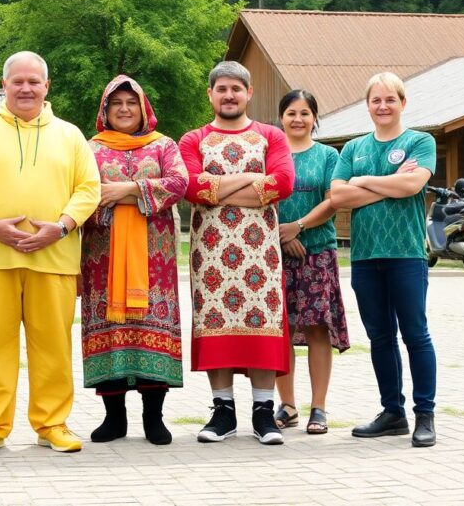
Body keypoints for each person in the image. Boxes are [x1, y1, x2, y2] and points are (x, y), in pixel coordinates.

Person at [0, 51, 100, 454]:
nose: (26, 88)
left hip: (55, 259)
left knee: (52, 347)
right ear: (4, 85)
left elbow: (89, 189)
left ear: (47, 86)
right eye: (18, 81)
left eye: (34, 81)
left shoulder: (70, 135)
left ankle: (52, 423)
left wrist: (62, 227)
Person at [178, 61, 295, 446]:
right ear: (210, 94)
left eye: (236, 89)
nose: (229, 96)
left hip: (260, 253)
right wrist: (251, 179)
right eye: (222, 89)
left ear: (249, 93)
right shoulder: (193, 139)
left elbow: (283, 183)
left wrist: (218, 189)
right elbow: (191, 188)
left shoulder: (270, 136)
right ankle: (223, 412)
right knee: (217, 324)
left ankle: (263, 412)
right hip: (211, 253)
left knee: (262, 324)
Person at [330, 72, 438, 448]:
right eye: (376, 100)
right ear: (368, 105)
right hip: (364, 256)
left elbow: (412, 185)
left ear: (402, 103)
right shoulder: (353, 148)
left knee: (415, 335)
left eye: (390, 99)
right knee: (380, 337)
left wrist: (361, 181)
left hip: (406, 254)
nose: (383, 106)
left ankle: (425, 415)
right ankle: (393, 413)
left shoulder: (420, 141)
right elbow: (337, 197)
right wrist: (389, 181)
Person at [80, 75, 187, 445]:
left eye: (131, 103)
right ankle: (114, 419)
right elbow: (83, 193)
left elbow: (179, 183)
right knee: (109, 331)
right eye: (116, 103)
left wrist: (124, 190)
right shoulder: (90, 149)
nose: (124, 109)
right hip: (103, 259)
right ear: (105, 109)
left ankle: (153, 418)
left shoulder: (163, 145)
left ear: (143, 109)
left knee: (150, 328)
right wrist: (135, 195)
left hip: (154, 262)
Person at [272, 90, 350, 435]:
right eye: (291, 113)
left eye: (305, 113)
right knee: (281, 329)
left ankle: (318, 407)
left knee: (318, 327)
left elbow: (333, 200)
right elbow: (261, 197)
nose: (298, 119)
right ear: (281, 117)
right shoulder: (270, 154)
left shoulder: (328, 156)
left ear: (314, 118)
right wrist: (282, 235)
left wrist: (299, 227)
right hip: (273, 253)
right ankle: (287, 406)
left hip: (317, 252)